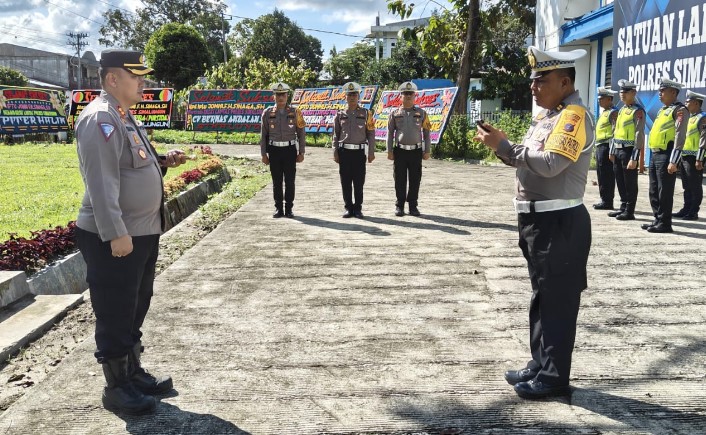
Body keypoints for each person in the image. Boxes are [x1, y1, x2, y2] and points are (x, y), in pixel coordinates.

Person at [474, 46, 594, 400]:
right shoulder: (548, 117)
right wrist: (500, 146)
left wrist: (507, 148)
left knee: (558, 299)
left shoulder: (573, 117)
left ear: (564, 81)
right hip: (537, 221)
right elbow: (529, 162)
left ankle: (555, 377)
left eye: (541, 79)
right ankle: (542, 362)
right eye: (533, 80)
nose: (533, 86)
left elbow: (551, 163)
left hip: (559, 222)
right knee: (543, 296)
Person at [74, 49, 186, 414]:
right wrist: (115, 233)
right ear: (112, 79)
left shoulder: (123, 116)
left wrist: (163, 162)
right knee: (116, 309)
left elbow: (131, 168)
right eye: (135, 75)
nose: (143, 82)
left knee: (136, 304)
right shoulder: (100, 119)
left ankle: (133, 372)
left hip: (141, 231)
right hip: (117, 236)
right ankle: (117, 388)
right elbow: (101, 182)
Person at [642, 77, 689, 233]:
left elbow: (679, 137)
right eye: (659, 91)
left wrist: (674, 161)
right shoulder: (663, 110)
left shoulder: (680, 110)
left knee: (665, 191)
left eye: (663, 91)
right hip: (655, 155)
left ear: (673, 92)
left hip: (667, 155)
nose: (660, 94)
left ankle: (665, 223)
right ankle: (657, 219)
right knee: (654, 190)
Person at [260, 82, 306, 218]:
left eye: (283, 95)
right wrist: (263, 154)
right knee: (277, 181)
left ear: (287, 96)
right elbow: (263, 135)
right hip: (274, 150)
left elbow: (301, 133)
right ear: (274, 96)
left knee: (290, 181)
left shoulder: (295, 112)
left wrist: (301, 152)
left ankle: (289, 208)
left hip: (290, 150)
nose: (281, 98)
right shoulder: (267, 113)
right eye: (278, 95)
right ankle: (278, 208)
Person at [386, 81, 431, 217]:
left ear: (415, 96)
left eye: (411, 94)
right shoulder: (394, 113)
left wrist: (427, 150)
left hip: (416, 151)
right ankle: (399, 206)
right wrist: (389, 150)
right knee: (399, 179)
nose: (408, 96)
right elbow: (390, 133)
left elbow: (427, 133)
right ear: (401, 96)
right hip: (400, 151)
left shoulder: (422, 113)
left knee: (415, 179)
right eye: (405, 94)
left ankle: (413, 206)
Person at [332, 82, 376, 218]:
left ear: (359, 96)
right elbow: (336, 134)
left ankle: (358, 208)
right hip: (344, 152)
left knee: (358, 181)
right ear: (346, 97)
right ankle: (348, 207)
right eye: (349, 95)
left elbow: (371, 133)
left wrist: (371, 152)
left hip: (359, 152)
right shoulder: (340, 114)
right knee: (345, 181)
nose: (352, 97)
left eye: (354, 95)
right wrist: (335, 151)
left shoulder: (366, 113)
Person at [607, 79, 645, 221]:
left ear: (633, 93)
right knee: (620, 181)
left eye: (625, 92)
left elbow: (639, 134)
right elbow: (615, 131)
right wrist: (612, 150)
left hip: (629, 151)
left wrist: (634, 157)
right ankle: (623, 207)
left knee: (629, 182)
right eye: (621, 91)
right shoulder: (622, 110)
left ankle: (630, 210)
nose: (622, 94)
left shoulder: (638, 111)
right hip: (617, 150)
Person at [673, 90, 706, 220]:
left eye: (688, 101)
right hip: (684, 155)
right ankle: (686, 208)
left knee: (695, 186)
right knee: (686, 185)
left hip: (694, 157)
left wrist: (699, 158)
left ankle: (693, 211)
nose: (686, 103)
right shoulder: (689, 117)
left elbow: (704, 139)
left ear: (696, 103)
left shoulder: (702, 118)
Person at [592, 87, 618, 210]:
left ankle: (608, 201)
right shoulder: (605, 112)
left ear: (609, 99)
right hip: (600, 146)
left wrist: (612, 151)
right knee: (601, 174)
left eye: (602, 99)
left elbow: (614, 133)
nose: (599, 101)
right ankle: (604, 199)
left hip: (607, 147)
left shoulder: (613, 112)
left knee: (607, 175)